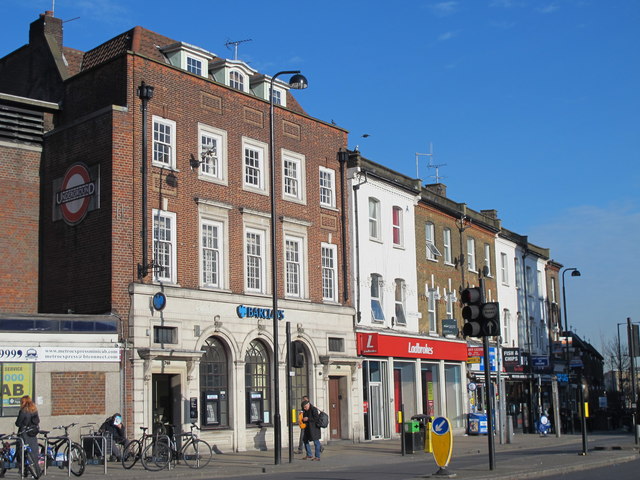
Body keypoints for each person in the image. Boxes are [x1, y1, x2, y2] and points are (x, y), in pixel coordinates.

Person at [15, 395, 41, 478]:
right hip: (32, 433)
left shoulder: (23, 411)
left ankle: (22, 468)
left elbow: (18, 423)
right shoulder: (34, 410)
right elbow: (37, 421)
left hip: (24, 433)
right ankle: (35, 467)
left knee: (21, 450)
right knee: (33, 450)